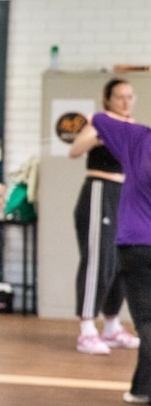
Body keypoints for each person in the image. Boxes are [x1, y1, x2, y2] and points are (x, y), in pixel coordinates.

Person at [80, 110, 151, 405]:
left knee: (147, 320)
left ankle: (143, 389)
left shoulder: (138, 137)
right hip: (136, 244)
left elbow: (96, 117)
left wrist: (117, 113)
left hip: (136, 244)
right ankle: (141, 388)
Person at [68, 78, 140, 354]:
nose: (125, 101)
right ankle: (87, 329)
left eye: (129, 96)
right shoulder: (99, 121)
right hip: (100, 191)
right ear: (108, 99)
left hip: (125, 195)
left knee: (120, 262)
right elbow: (75, 150)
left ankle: (111, 326)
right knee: (98, 260)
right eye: (120, 96)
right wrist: (105, 131)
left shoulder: (131, 125)